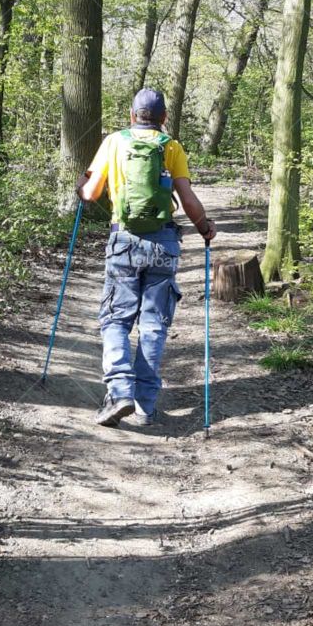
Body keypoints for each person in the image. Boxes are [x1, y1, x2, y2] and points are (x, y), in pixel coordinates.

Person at [76, 87, 216, 428]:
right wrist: (204, 228)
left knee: (115, 319)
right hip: (164, 243)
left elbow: (92, 193)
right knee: (154, 324)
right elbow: (187, 197)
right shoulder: (171, 147)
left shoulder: (114, 142)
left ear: (131, 115)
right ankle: (145, 406)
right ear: (164, 118)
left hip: (123, 241)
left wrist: (82, 186)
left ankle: (120, 390)